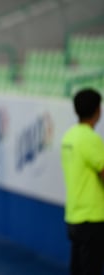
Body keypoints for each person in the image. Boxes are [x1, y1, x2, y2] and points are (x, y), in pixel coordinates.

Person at [61, 88, 104, 275]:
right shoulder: (91, 139)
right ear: (97, 110)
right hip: (92, 217)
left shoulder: (69, 136)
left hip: (74, 215)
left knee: (78, 268)